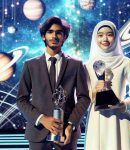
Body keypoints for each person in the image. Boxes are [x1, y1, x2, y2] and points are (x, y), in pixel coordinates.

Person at [16, 16, 90, 150]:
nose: (54, 36)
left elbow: (84, 98)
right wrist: (42, 119)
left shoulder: (76, 64)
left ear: (64, 37)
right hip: (38, 132)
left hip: (67, 134)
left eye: (58, 32)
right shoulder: (30, 65)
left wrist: (71, 125)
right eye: (50, 32)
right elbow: (21, 99)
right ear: (43, 36)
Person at [85, 20, 130, 150]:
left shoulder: (125, 62)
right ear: (95, 37)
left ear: (116, 37)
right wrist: (94, 91)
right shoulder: (88, 65)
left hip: (120, 119)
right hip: (97, 120)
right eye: (100, 35)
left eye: (109, 34)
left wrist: (124, 104)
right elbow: (83, 97)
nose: (104, 38)